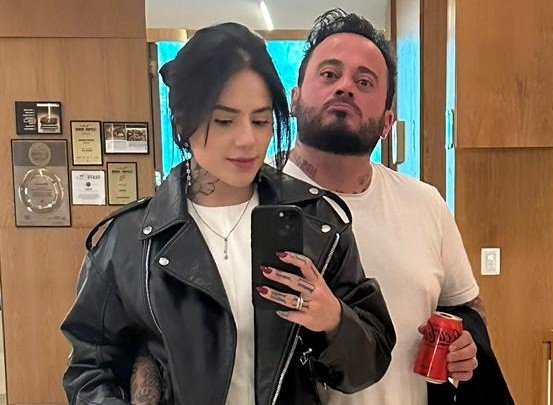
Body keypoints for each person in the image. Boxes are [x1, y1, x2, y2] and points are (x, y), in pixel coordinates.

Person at [61, 22, 395, 405]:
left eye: (261, 120)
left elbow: (367, 365)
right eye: (224, 120)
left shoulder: (317, 223)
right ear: (183, 121)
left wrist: (334, 320)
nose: (247, 139)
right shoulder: (130, 240)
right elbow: (90, 367)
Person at [283, 9, 513, 405]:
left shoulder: (425, 204)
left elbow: (465, 307)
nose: (345, 87)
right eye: (329, 74)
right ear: (295, 98)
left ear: (388, 121)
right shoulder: (257, 202)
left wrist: (467, 344)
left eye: (365, 81)